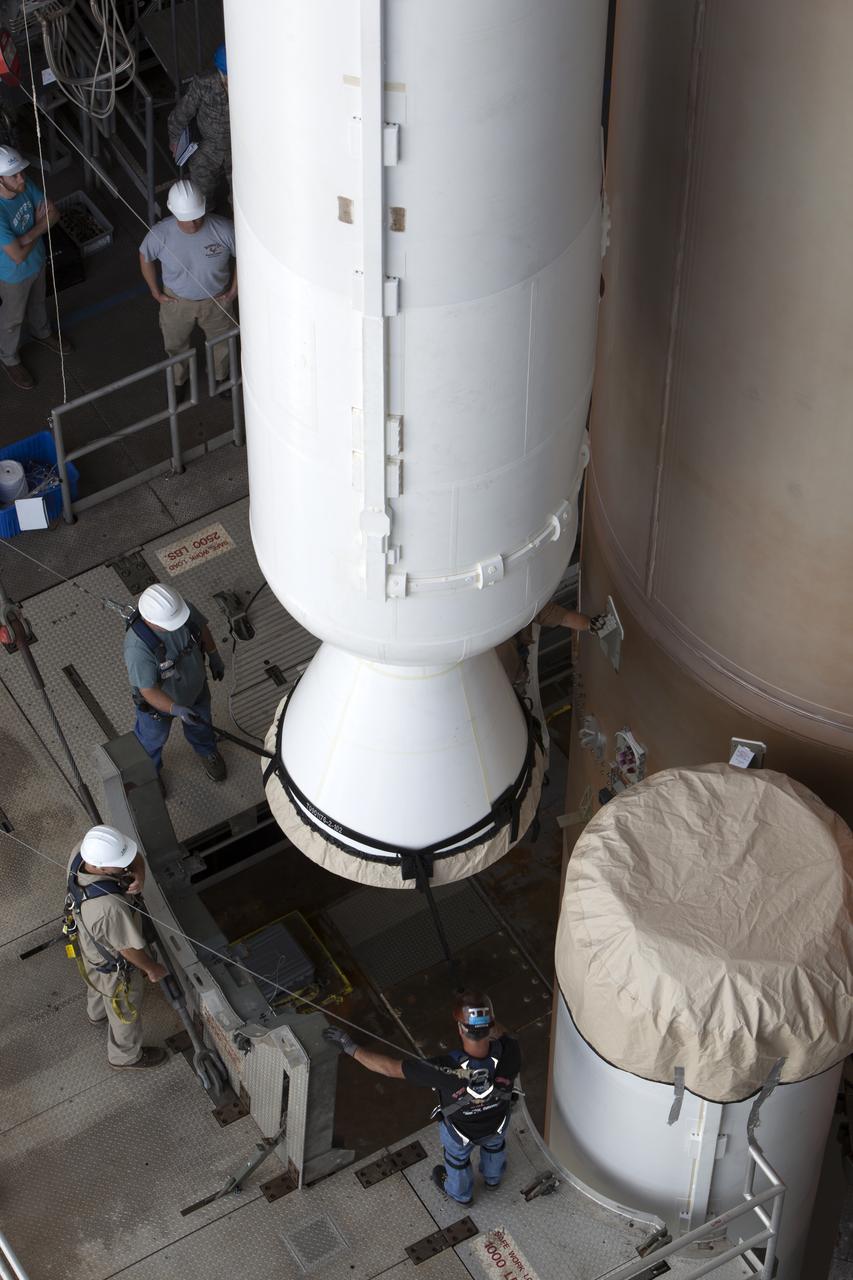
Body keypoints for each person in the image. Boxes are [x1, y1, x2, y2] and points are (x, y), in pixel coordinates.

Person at [325, 991, 520, 1205]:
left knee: (457, 1161)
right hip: (497, 1122)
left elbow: (389, 1068)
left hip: (460, 1132)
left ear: (461, 1028)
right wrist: (485, 1016)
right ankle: (493, 1180)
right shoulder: (511, 1050)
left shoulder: (443, 1068)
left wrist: (349, 1046)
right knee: (495, 1146)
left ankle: (461, 1195)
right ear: (491, 1025)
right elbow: (505, 1035)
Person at [66, 825, 168, 1070]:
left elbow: (132, 857)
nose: (125, 868)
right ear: (100, 867)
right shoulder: (109, 908)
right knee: (124, 1008)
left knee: (96, 980)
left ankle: (96, 1014)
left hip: (90, 943)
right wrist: (152, 968)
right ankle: (125, 1056)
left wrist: (139, 875)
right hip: (113, 960)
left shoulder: (83, 850)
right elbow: (127, 950)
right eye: (119, 865)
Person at [138, 179, 237, 398]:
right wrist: (155, 291)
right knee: (175, 345)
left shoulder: (224, 229)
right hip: (176, 302)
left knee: (222, 343)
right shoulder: (160, 234)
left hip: (216, 301)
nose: (193, 224)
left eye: (197, 217)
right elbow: (145, 255)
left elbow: (244, 256)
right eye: (186, 219)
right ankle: (178, 380)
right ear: (173, 213)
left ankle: (220, 377)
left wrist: (233, 291)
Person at [124, 581, 227, 784]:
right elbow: (148, 690)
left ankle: (207, 751)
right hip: (158, 707)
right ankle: (149, 773)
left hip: (195, 689)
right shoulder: (137, 648)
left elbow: (202, 630)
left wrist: (214, 655)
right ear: (150, 620)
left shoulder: (181, 610)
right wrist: (175, 708)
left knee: (202, 726)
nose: (178, 623)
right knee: (152, 739)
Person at [0, 145, 73, 390]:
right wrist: (40, 226)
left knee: (38, 302)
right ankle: (9, 358)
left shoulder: (23, 185)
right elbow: (17, 256)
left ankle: (42, 333)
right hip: (13, 276)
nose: (22, 178)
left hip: (37, 262)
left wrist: (28, 236)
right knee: (12, 319)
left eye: (21, 172)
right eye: (15, 175)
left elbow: (53, 214)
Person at [167, 43, 231, 205]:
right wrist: (175, 139)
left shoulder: (254, 86)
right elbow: (182, 112)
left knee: (244, 191)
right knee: (200, 191)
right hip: (209, 145)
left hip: (238, 148)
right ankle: (203, 215)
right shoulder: (204, 83)